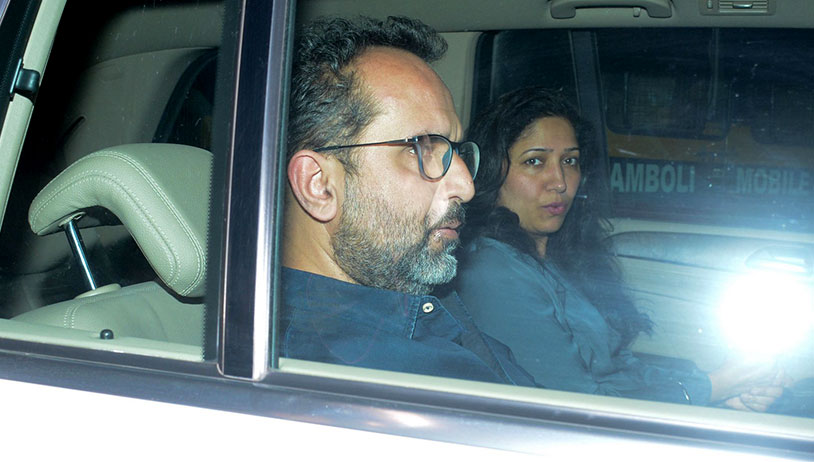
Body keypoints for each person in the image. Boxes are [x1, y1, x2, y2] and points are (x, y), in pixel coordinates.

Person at [454, 86, 784, 410]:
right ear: (492, 171)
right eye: (535, 161)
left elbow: (623, 369)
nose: (560, 181)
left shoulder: (552, 259)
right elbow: (579, 406)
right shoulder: (492, 270)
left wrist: (723, 390)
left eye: (570, 160)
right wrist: (710, 387)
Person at [280, 16, 534, 387]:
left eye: (455, 149)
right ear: (319, 186)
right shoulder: (342, 379)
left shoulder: (408, 301)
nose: (466, 186)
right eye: (420, 148)